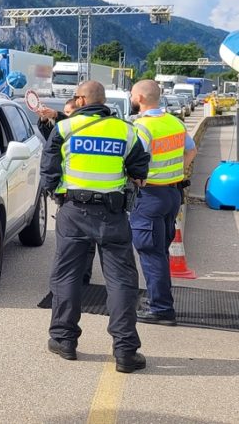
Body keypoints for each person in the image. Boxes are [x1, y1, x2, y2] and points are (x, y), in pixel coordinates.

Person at [41, 80, 149, 373]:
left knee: (67, 276)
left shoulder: (65, 129)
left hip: (73, 211)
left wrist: (57, 193)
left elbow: (49, 168)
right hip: (113, 215)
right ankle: (125, 351)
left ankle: (64, 341)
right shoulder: (126, 130)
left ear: (81, 99)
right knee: (122, 281)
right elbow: (140, 169)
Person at [128, 79, 197, 326]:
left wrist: (140, 180)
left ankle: (161, 308)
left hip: (151, 197)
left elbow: (133, 163)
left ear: (141, 98)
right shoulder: (175, 122)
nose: (131, 97)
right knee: (160, 250)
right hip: (172, 194)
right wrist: (177, 172)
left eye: (132, 94)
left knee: (151, 252)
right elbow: (191, 150)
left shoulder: (142, 127)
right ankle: (160, 300)